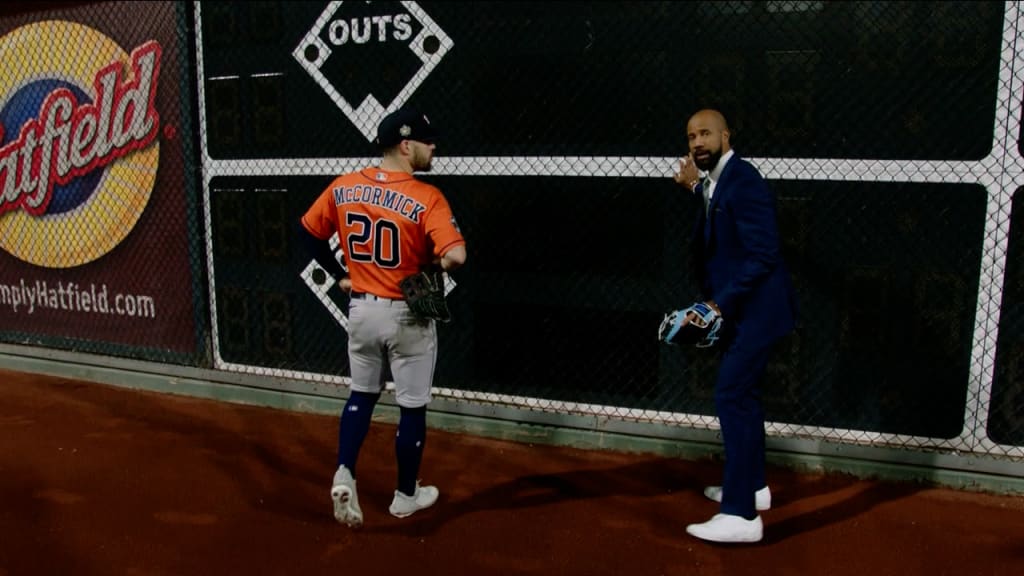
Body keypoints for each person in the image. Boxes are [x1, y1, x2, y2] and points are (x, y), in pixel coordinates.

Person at [298, 107, 467, 527]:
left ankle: (344, 471)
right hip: (407, 315)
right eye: (428, 142)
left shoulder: (344, 186)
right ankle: (405, 497)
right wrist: (432, 269)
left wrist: (339, 276)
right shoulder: (427, 196)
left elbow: (307, 232)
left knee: (361, 395)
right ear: (406, 145)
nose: (434, 147)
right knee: (411, 408)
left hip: (362, 310)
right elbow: (456, 256)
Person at [671, 108, 797, 543]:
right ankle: (755, 489)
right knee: (745, 398)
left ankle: (742, 515)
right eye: (691, 137)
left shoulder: (743, 179)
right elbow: (722, 223)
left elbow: (764, 254)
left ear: (727, 134)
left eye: (705, 133)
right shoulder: (719, 181)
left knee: (730, 395)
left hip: (754, 313)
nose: (697, 143)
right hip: (745, 312)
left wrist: (716, 305)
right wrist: (695, 189)